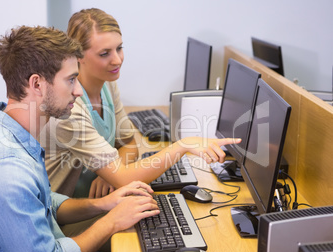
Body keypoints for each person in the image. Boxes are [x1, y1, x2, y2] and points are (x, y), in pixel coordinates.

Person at [0, 25, 159, 252]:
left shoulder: (5, 129)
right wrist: (111, 220)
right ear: (37, 84)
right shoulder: (5, 171)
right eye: (71, 80)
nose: (78, 91)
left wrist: (103, 204)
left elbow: (42, 203)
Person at [41, 7, 240, 199]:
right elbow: (124, 177)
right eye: (105, 53)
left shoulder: (107, 86)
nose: (117, 60)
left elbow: (128, 144)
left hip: (98, 198)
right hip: (65, 214)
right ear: (79, 57)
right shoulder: (70, 109)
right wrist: (182, 146)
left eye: (119, 48)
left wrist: (110, 173)